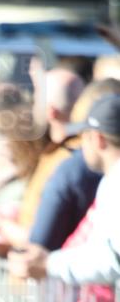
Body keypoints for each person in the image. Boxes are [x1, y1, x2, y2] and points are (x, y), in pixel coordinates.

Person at [8, 94, 120, 284]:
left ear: (98, 139)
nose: (81, 146)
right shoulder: (111, 180)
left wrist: (49, 264)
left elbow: (113, 257)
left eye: (83, 137)